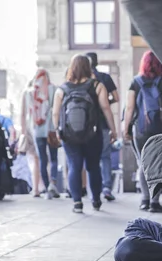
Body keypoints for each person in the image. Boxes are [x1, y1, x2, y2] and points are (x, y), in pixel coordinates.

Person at [52, 54, 117, 213]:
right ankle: (95, 200)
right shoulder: (97, 86)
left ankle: (77, 203)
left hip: (69, 135)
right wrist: (113, 129)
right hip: (93, 133)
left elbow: (55, 113)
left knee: (74, 166)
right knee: (93, 167)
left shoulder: (62, 89)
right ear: (88, 67)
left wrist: (57, 131)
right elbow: (106, 108)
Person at [123, 50, 162, 213]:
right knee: (159, 164)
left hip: (141, 129)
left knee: (143, 163)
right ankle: (155, 202)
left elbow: (130, 108)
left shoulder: (136, 82)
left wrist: (126, 128)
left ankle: (144, 200)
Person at [86, 52, 119, 202]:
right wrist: (104, 101)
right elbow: (116, 98)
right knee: (105, 156)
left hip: (85, 124)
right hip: (103, 122)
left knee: (90, 157)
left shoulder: (82, 80)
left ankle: (92, 189)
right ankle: (106, 187)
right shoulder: (104, 78)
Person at [28, 68, 60, 200]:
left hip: (37, 129)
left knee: (42, 159)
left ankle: (46, 189)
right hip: (51, 129)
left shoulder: (31, 92)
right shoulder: (53, 89)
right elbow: (56, 109)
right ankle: (53, 183)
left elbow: (29, 112)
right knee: (53, 158)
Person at [21, 80, 43, 197]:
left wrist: (23, 132)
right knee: (44, 159)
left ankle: (36, 188)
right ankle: (46, 185)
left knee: (34, 159)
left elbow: (22, 114)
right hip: (43, 128)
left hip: (30, 128)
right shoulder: (45, 92)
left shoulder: (26, 93)